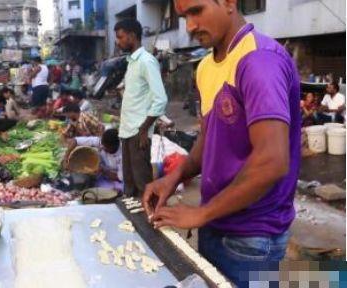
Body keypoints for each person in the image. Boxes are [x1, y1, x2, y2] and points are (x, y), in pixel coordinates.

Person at [142, 1, 301, 286]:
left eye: (197, 11)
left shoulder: (259, 60)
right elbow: (210, 137)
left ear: (229, 2)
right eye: (183, 17)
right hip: (215, 223)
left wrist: (201, 212)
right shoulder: (205, 67)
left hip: (252, 238)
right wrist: (174, 176)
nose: (189, 26)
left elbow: (272, 161)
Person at [114, 19, 168, 197]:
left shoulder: (147, 61)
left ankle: (149, 221)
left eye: (120, 37)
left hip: (139, 132)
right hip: (127, 130)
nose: (118, 41)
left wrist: (144, 128)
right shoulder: (131, 62)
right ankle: (132, 221)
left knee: (142, 183)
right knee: (129, 183)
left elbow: (160, 99)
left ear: (132, 36)